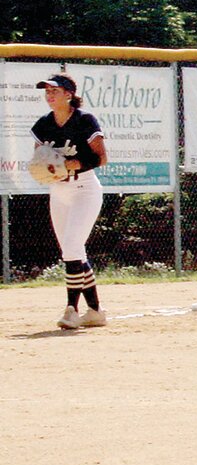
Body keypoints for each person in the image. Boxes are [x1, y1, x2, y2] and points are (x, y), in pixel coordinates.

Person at [32, 74, 109, 330]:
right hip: (59, 191)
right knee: (73, 251)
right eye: (47, 92)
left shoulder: (84, 120)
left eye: (54, 90)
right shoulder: (44, 124)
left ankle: (71, 310)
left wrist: (74, 163)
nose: (49, 95)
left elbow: (101, 158)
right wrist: (44, 167)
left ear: (68, 94)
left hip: (84, 189)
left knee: (72, 248)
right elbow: (40, 157)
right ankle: (96, 311)